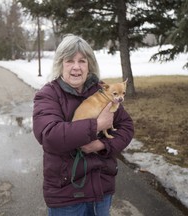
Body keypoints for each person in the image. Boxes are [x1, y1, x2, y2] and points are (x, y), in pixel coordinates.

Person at [33, 34, 134, 216]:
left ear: (90, 65)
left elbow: (126, 126)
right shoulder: (48, 95)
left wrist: (103, 144)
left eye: (82, 61)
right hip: (66, 196)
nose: (76, 67)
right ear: (60, 64)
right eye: (69, 61)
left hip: (101, 191)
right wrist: (96, 125)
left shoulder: (103, 93)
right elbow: (50, 136)